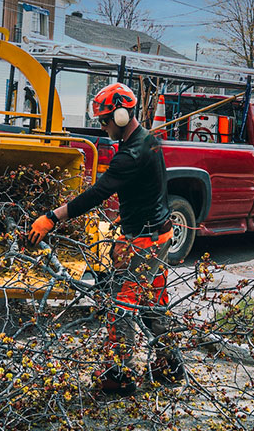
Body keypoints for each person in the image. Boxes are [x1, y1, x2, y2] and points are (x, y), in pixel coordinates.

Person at [25, 82, 183, 394]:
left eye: (105, 120)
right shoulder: (149, 141)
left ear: (122, 116)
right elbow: (153, 189)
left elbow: (97, 193)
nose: (103, 126)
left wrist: (51, 218)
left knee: (121, 305)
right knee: (152, 303)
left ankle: (119, 375)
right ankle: (171, 366)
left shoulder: (132, 153)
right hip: (160, 233)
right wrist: (130, 213)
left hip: (143, 241)